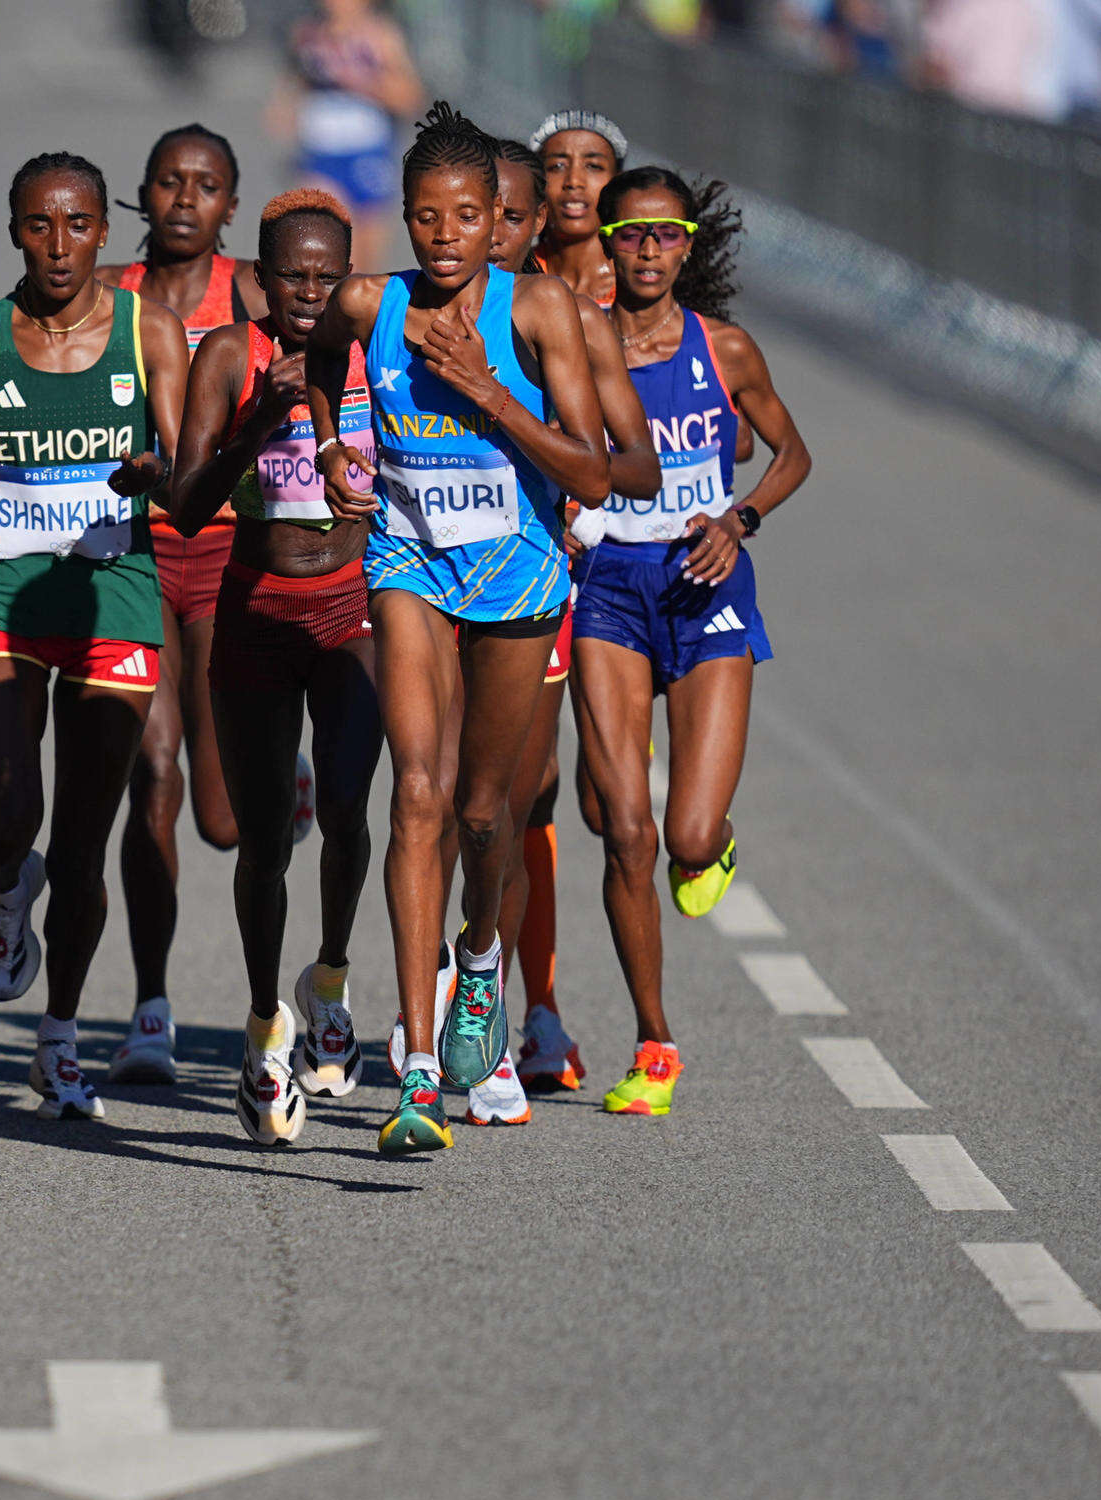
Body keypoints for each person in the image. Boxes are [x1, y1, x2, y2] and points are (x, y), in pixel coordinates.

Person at [304, 104, 609, 1155]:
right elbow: (321, 363)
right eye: (425, 217)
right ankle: (422, 1071)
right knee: (420, 795)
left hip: (518, 578)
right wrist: (335, 447)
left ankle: (482, 957)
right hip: (407, 568)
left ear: (495, 226)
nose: (442, 237)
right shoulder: (366, 302)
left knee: (489, 812)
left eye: (465, 218)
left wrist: (490, 397)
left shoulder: (537, 316)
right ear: (405, 219)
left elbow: (593, 467)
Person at [0, 151, 189, 1121]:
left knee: (85, 840)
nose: (58, 245)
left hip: (112, 596)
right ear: (11, 229)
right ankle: (9, 884)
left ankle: (58, 1037)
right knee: (9, 808)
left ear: (102, 231)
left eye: (78, 224)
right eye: (39, 225)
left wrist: (152, 471)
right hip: (2, 593)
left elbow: (180, 470)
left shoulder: (149, 332)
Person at [574, 168, 809, 1117]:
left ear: (689, 244)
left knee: (686, 834)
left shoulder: (728, 348)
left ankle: (709, 842)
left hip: (707, 580)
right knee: (624, 829)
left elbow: (791, 451)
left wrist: (740, 518)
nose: (648, 252)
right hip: (610, 591)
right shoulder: (574, 343)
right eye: (630, 235)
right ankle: (654, 1041)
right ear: (606, 241)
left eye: (666, 235)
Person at [167, 188, 382, 1145]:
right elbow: (183, 503)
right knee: (264, 841)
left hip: (354, 607)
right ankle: (264, 1029)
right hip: (252, 603)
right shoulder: (227, 352)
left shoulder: (380, 353)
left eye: (327, 276)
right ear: (258, 275)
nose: (308, 293)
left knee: (345, 804)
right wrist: (258, 422)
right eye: (291, 275)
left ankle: (329, 976)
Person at [468, 134, 662, 1122]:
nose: (488, 233)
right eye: (474, 212)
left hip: (559, 581)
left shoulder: (567, 318)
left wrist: (570, 475)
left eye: (508, 215)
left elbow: (631, 463)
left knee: (544, 798)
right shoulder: (404, 308)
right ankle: (472, 1017)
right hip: (424, 582)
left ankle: (519, 1006)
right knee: (453, 801)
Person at [107, 123, 271, 1084]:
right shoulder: (112, 297)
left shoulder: (252, 290)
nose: (183, 198)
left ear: (229, 207)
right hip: (130, 557)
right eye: (168, 180)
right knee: (152, 771)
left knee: (223, 816)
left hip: (226, 556)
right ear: (143, 192)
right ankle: (150, 1008)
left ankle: (271, 774)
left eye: (205, 185)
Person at [275, 0, 425, 260]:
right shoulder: (306, 33)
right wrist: (285, 109)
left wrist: (363, 82)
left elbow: (411, 98)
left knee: (363, 260)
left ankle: (354, 300)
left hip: (368, 154)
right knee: (331, 249)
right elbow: (293, 83)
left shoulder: (382, 36)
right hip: (320, 157)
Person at [530, 111, 625, 309]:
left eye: (593, 166)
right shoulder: (513, 276)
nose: (574, 181)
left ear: (618, 180)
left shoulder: (639, 284)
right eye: (557, 166)